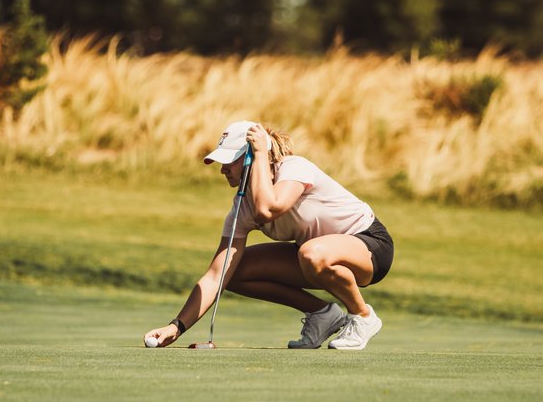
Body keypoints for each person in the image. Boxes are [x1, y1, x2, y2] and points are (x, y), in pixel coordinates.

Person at [143, 120, 394, 350]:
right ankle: (322, 314)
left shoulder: (295, 169)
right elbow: (215, 276)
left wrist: (261, 153)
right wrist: (176, 327)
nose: (223, 170)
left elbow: (268, 208)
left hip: (370, 245)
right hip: (315, 256)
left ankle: (362, 316)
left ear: (251, 157)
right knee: (236, 272)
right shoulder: (242, 208)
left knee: (312, 253)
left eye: (230, 161)